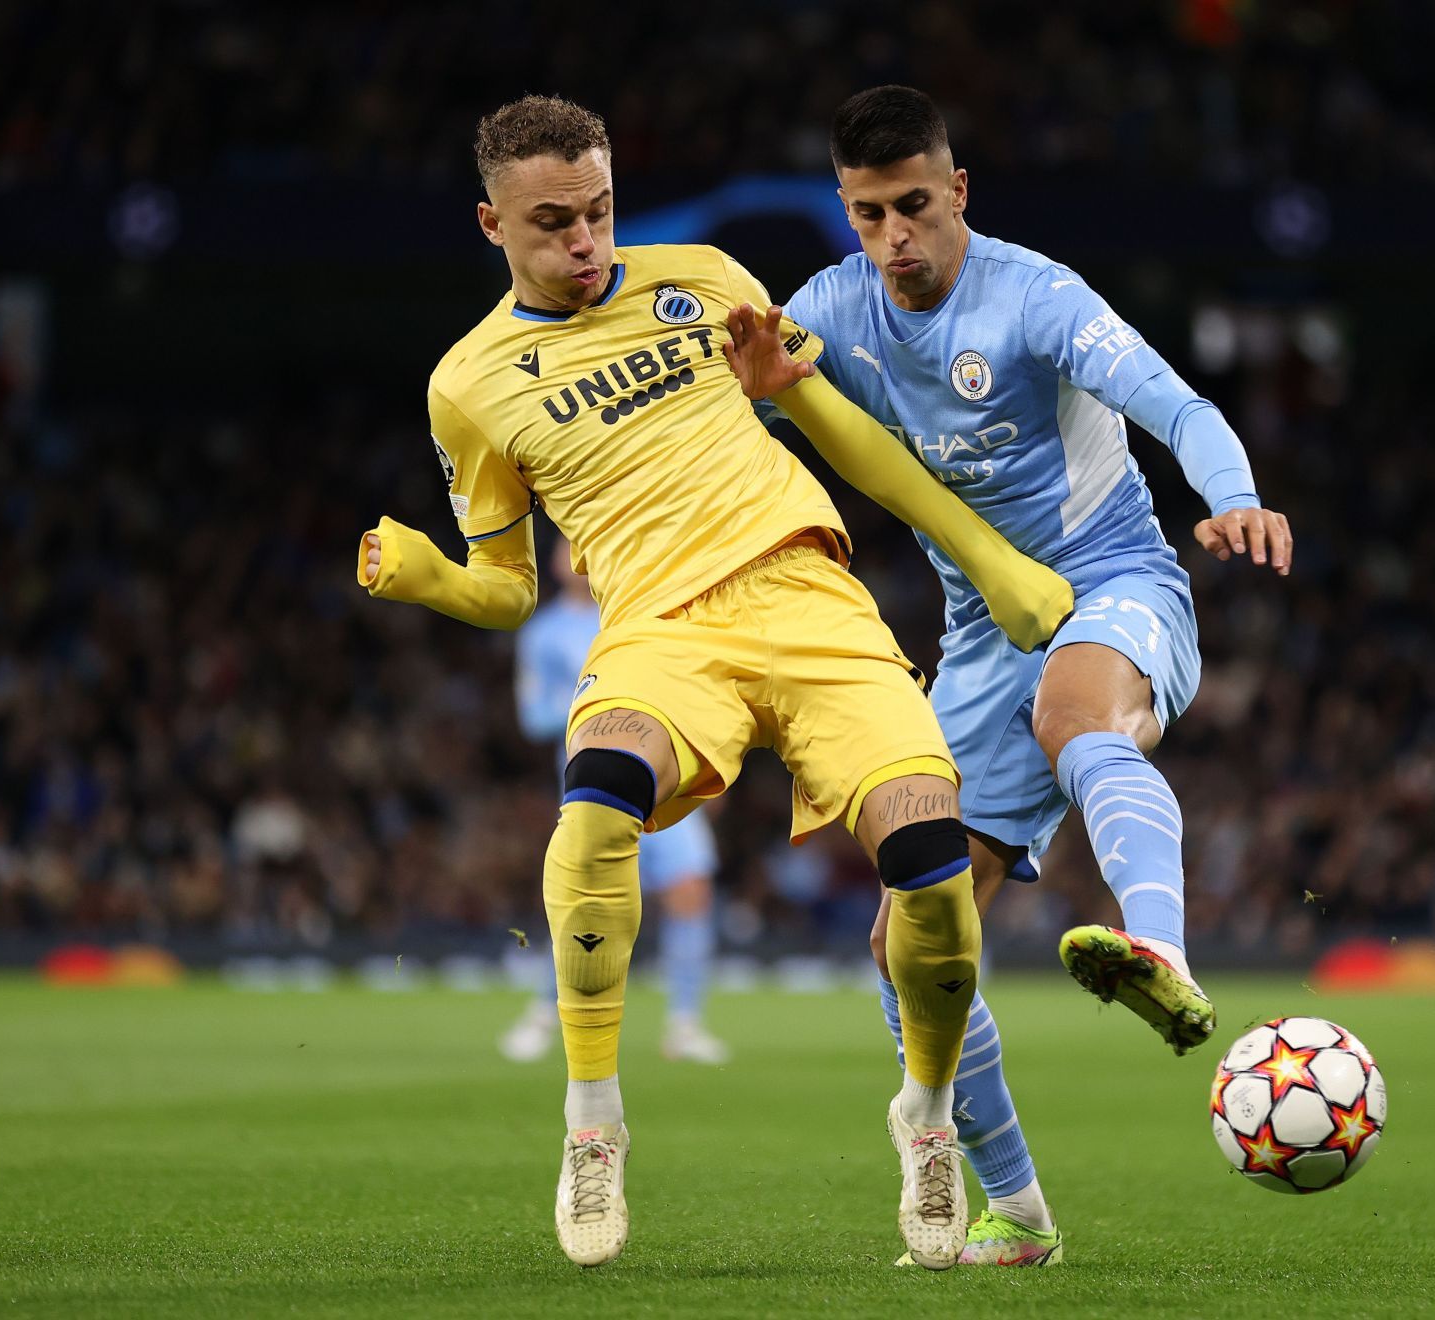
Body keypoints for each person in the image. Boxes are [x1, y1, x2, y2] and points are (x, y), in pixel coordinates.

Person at [354, 94, 1074, 1271]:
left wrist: (993, 563)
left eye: (598, 212)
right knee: (592, 815)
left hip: (809, 601)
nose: (585, 241)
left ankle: (928, 1122)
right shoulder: (469, 384)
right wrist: (431, 573)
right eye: (552, 223)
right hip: (657, 631)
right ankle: (594, 1124)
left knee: (935, 879)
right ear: (492, 224)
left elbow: (838, 426)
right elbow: (507, 587)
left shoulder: (698, 275)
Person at [727, 85, 1292, 1267]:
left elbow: (1176, 406)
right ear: (846, 209)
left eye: (917, 207)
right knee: (907, 944)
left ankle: (1165, 956)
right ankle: (1017, 1212)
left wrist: (1231, 495)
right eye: (871, 214)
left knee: (1074, 713)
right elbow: (771, 404)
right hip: (980, 633)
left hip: (1112, 577)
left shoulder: (1035, 298)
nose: (897, 238)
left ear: (959, 192)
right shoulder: (831, 308)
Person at [500, 538, 729, 1067]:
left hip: (667, 782)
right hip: (596, 784)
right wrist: (603, 701)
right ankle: (543, 1012)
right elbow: (533, 717)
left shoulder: (643, 616)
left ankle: (685, 1023)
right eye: (569, 548)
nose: (580, 556)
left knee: (691, 890)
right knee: (584, 901)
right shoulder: (544, 634)